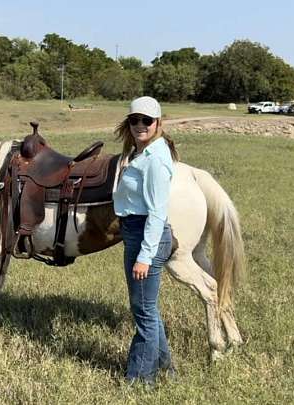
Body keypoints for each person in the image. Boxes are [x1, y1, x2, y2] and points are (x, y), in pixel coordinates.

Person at [113, 96, 179, 386]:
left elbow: (156, 213)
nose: (140, 125)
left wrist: (144, 256)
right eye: (134, 120)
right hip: (136, 232)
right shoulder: (143, 152)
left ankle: (141, 379)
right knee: (148, 309)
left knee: (143, 313)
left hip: (145, 236)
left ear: (158, 123)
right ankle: (165, 366)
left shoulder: (155, 160)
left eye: (146, 120)